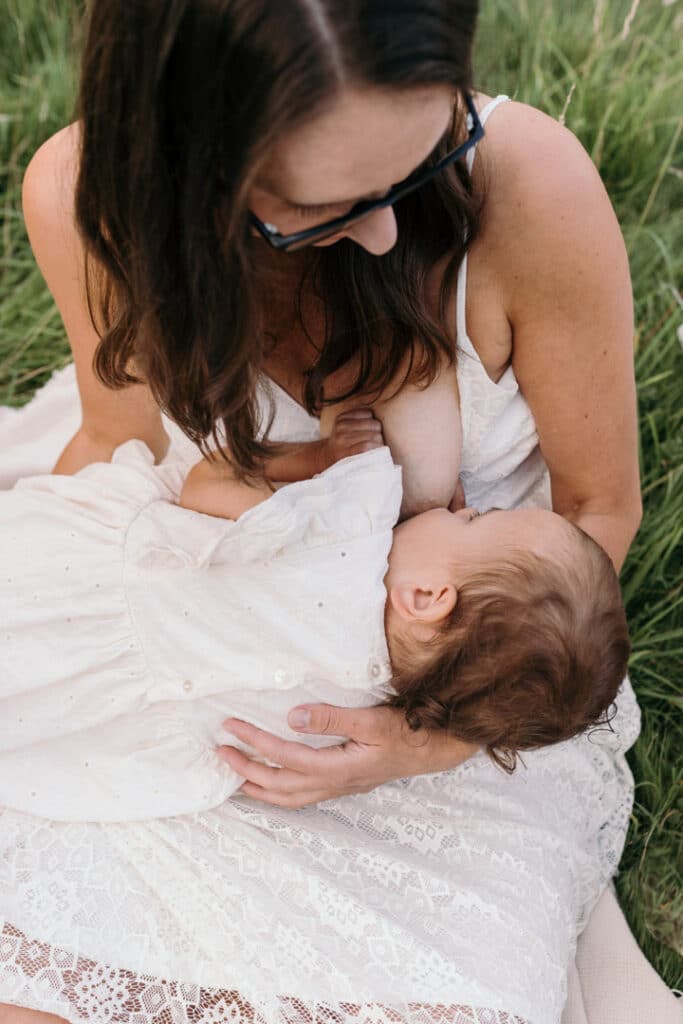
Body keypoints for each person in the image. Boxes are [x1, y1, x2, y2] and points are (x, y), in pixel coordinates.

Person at [1, 0, 678, 1021]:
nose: (385, 228)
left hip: (468, 662)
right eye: (323, 206)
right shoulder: (84, 193)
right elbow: (118, 447)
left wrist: (420, 736)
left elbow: (597, 506)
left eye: (415, 165)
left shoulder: (523, 184)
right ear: (188, 166)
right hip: (216, 593)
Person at [0, 415, 630, 824]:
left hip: (67, 579)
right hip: (88, 710)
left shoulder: (348, 533)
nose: (465, 506)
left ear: (428, 596)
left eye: (477, 521)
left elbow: (208, 486)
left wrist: (319, 458)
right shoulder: (359, 713)